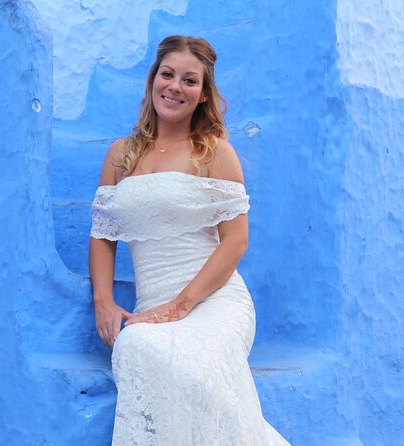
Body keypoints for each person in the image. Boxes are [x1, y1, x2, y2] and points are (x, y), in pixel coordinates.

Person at [89, 35, 290, 445]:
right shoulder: (119, 155)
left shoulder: (215, 153)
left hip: (213, 301)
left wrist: (181, 305)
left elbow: (234, 242)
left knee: (161, 354)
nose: (175, 87)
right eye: (168, 74)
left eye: (190, 80)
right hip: (152, 305)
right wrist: (104, 302)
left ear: (203, 94)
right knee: (137, 347)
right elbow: (102, 235)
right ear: (152, 80)